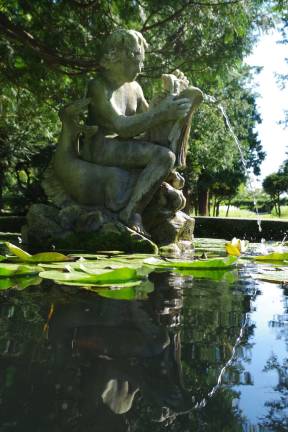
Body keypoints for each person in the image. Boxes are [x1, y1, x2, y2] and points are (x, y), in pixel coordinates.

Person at [80, 29, 193, 235]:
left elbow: (148, 122)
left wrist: (171, 95)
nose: (141, 67)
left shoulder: (136, 88)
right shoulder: (99, 86)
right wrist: (162, 113)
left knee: (165, 153)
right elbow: (121, 126)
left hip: (122, 146)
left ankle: (136, 209)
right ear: (120, 57)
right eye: (137, 61)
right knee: (163, 157)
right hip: (101, 146)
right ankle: (131, 212)